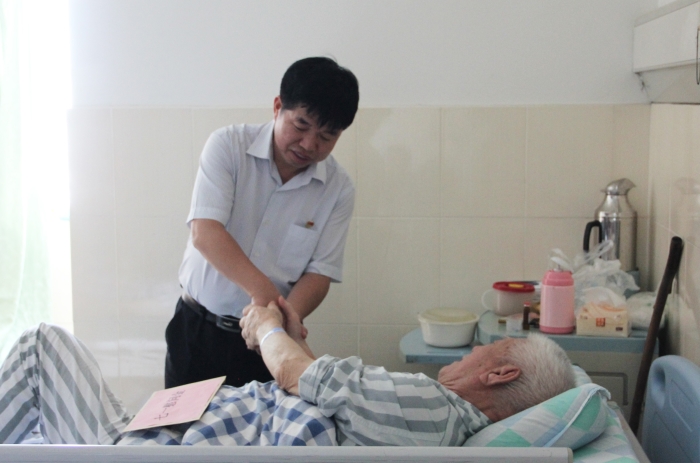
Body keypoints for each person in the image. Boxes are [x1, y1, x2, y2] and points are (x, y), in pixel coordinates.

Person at [0, 301, 576, 446]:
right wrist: (289, 341)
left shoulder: (433, 409)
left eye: (491, 347)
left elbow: (298, 377)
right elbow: (320, 387)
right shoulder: (423, 414)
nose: (475, 349)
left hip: (149, 453)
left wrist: (268, 326)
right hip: (170, 433)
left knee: (40, 348)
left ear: (499, 374)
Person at [166, 56, 360, 388]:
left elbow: (319, 273)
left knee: (268, 424)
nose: (309, 144)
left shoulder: (338, 189)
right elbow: (205, 232)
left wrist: (282, 322)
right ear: (277, 107)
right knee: (186, 423)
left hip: (266, 345)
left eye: (327, 136)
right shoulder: (228, 146)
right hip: (197, 333)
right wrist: (271, 302)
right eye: (301, 126)